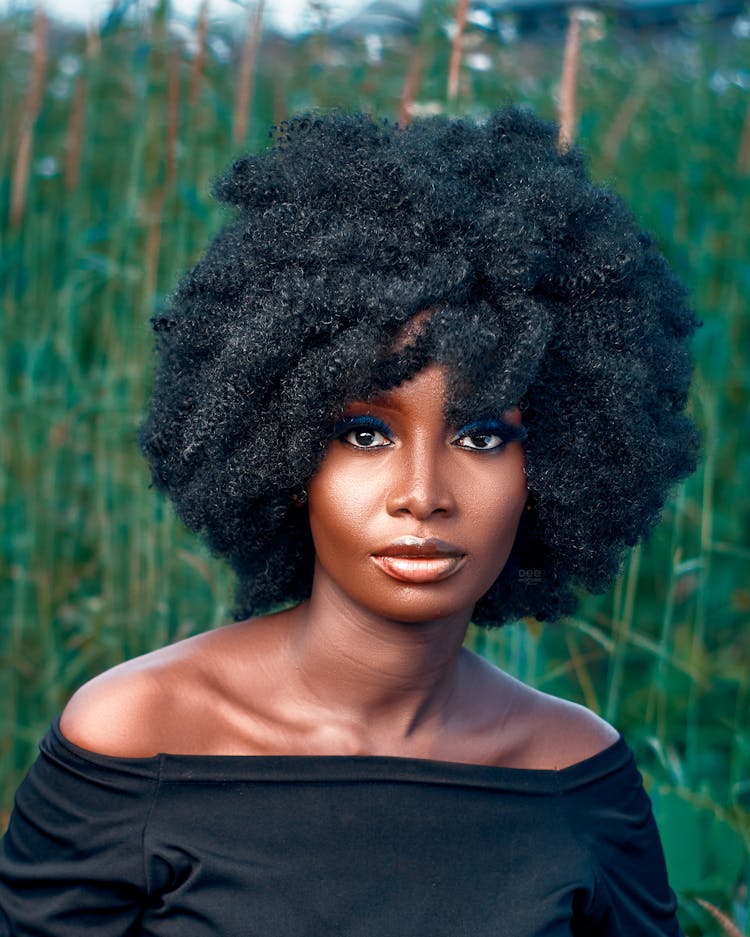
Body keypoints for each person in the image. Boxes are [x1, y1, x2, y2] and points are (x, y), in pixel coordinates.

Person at [0, 108, 700, 936]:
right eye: (365, 433)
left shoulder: (575, 773)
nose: (422, 492)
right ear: (285, 450)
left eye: (481, 435)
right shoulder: (139, 736)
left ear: (552, 466)